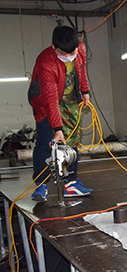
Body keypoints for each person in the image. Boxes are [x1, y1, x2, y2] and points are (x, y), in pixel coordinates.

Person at [28, 25, 93, 201]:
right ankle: (41, 185)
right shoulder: (45, 61)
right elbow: (50, 99)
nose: (69, 56)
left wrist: (84, 91)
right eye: (64, 54)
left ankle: (70, 183)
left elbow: (82, 70)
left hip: (70, 99)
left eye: (72, 53)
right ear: (53, 46)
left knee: (72, 140)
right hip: (45, 101)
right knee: (46, 142)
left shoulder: (79, 48)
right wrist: (57, 129)